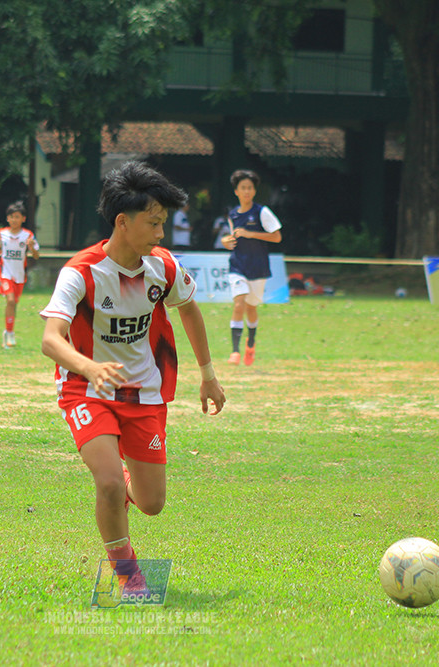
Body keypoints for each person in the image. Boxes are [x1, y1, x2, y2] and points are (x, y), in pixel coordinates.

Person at [40, 160, 226, 595]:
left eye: (164, 223)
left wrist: (208, 375)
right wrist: (88, 368)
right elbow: (51, 339)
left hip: (144, 393)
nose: (162, 234)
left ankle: (128, 483)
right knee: (106, 482)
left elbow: (189, 309)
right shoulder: (81, 272)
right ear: (123, 222)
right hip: (87, 390)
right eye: (154, 223)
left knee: (151, 504)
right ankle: (128, 576)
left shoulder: (162, 267)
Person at [220, 169, 282, 366]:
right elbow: (231, 237)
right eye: (243, 188)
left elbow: (277, 236)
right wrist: (225, 241)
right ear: (236, 191)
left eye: (250, 188)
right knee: (239, 304)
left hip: (258, 267)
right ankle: (234, 352)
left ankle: (251, 343)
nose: (247, 191)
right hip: (237, 265)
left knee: (251, 307)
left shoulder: (262, 212)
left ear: (254, 191)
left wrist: (251, 234)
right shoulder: (232, 214)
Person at [0, 201, 40, 348]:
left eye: (17, 217)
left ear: (23, 218)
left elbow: (36, 255)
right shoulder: (1, 233)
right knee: (10, 301)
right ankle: (9, 333)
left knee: (13, 303)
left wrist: (31, 248)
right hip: (5, 273)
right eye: (11, 217)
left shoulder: (28, 235)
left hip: (19, 275)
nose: (14, 220)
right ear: (7, 218)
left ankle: (9, 330)